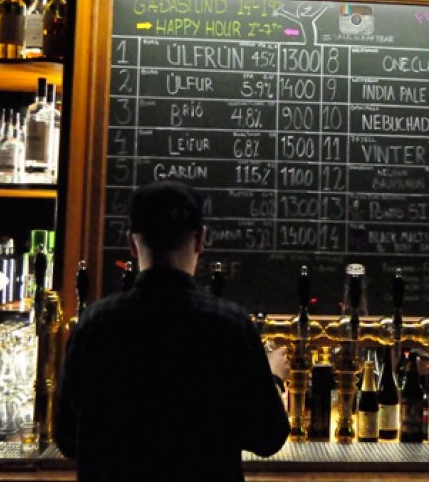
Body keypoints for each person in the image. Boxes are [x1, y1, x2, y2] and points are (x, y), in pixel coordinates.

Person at [54, 181, 290, 481]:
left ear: (130, 243)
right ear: (200, 241)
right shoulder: (231, 326)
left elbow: (66, 440)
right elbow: (268, 438)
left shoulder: (92, 325)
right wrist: (274, 379)